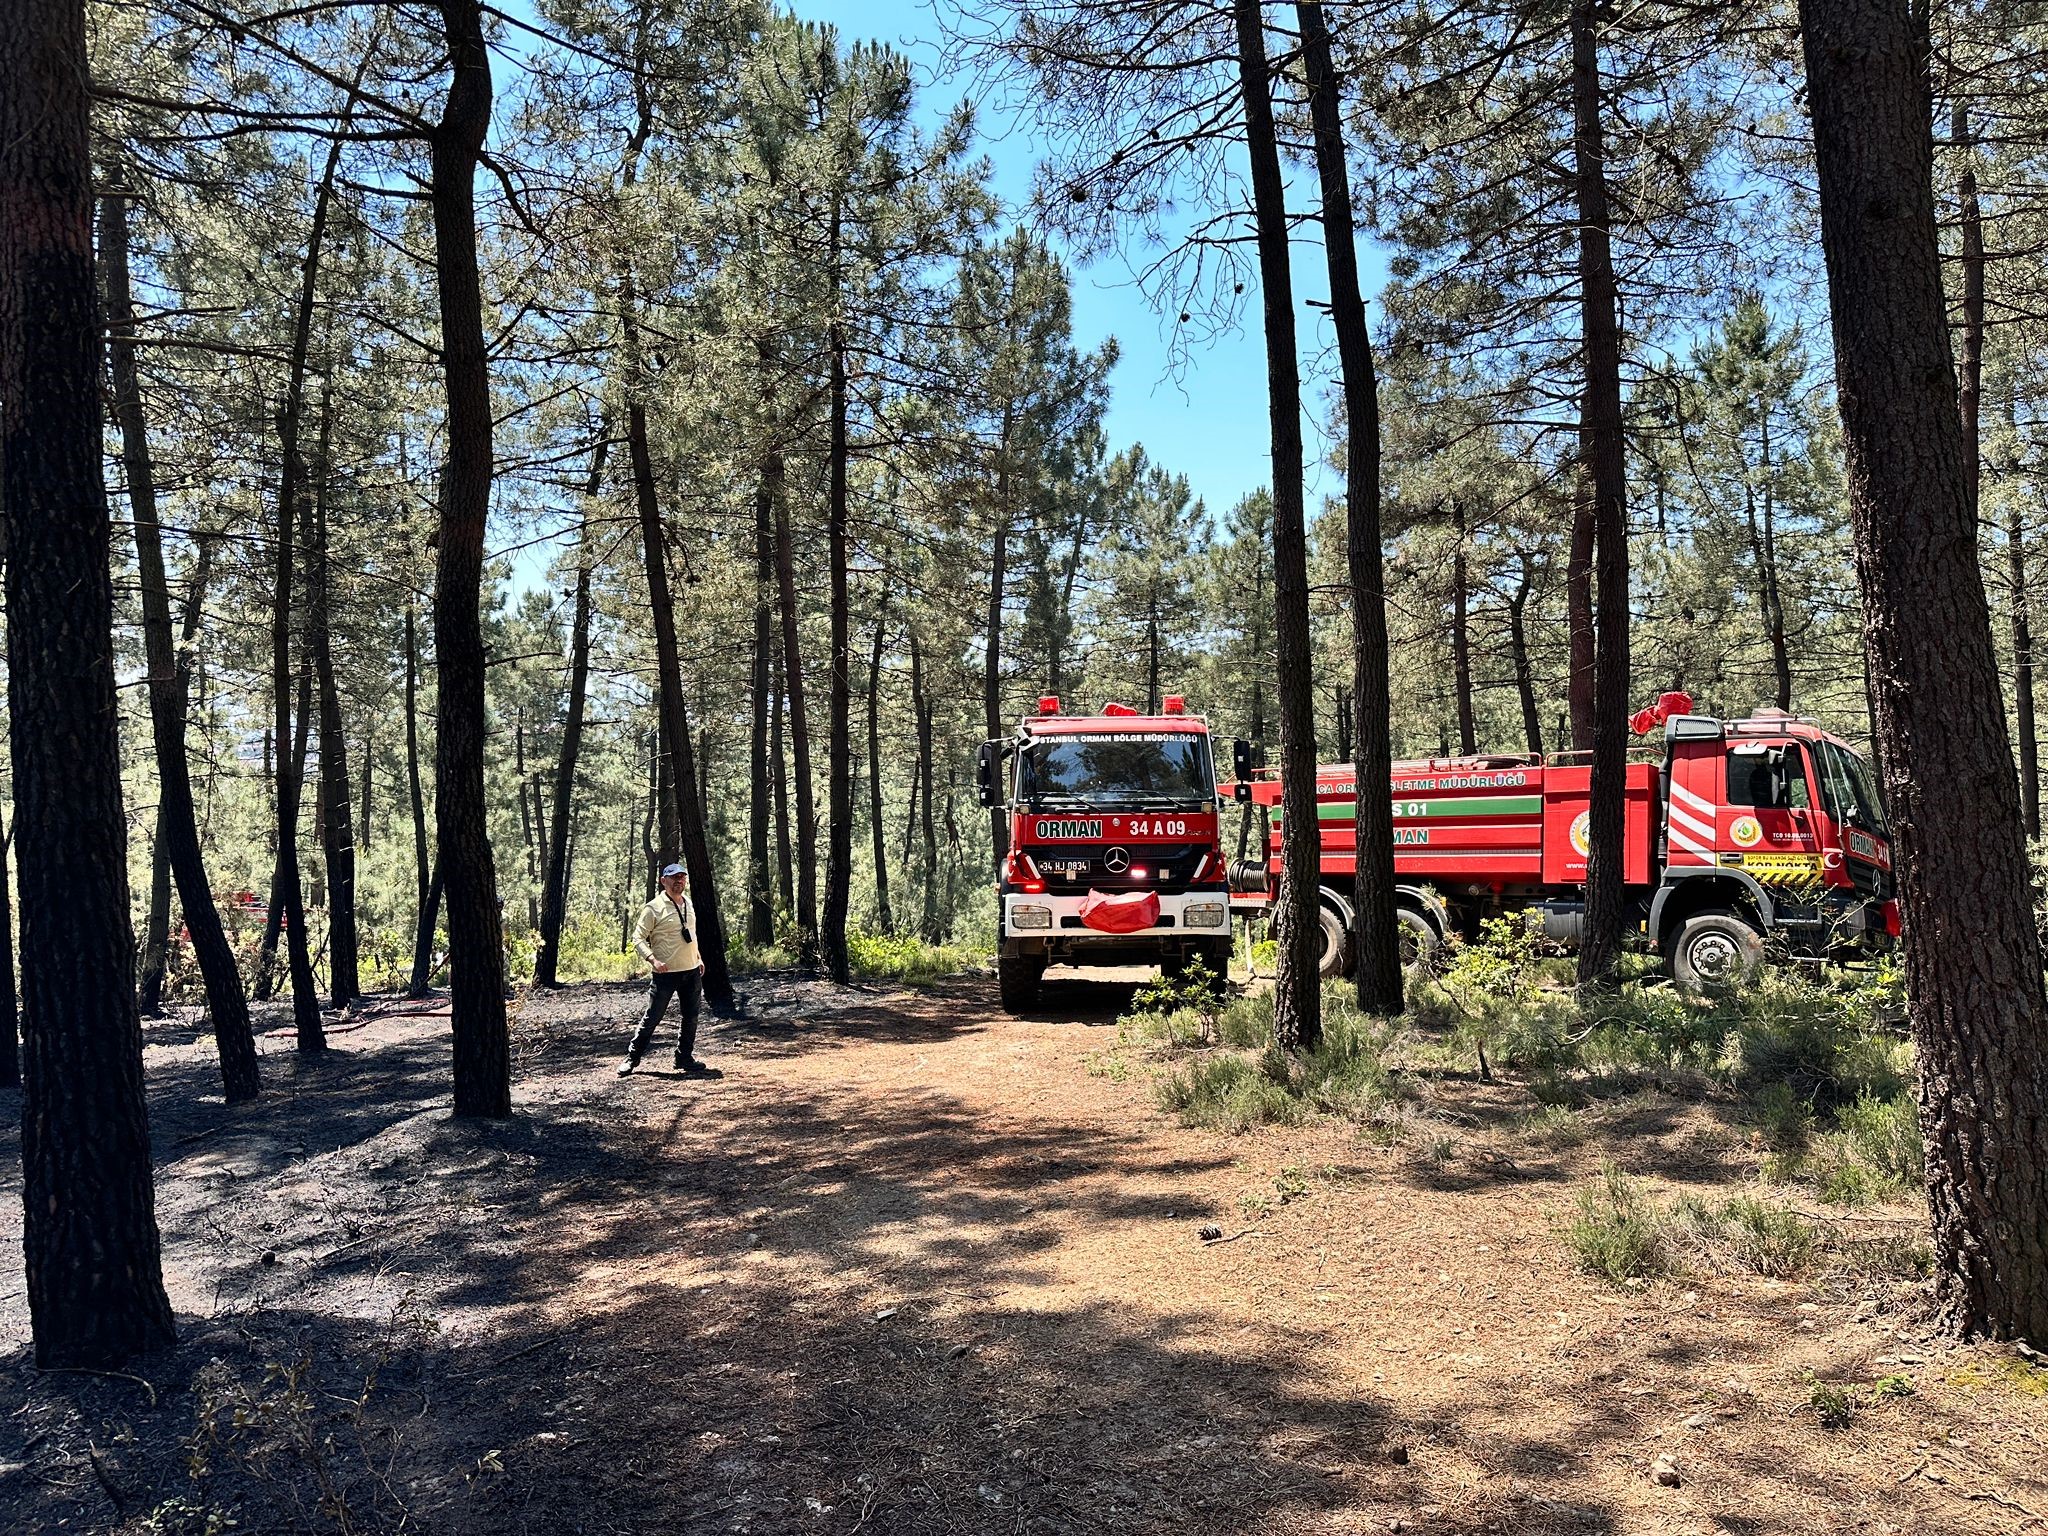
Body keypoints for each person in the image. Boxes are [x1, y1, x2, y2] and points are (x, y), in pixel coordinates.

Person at [620, 863, 718, 1077]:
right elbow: (637, 938)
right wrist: (653, 959)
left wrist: (698, 957)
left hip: (691, 971)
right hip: (665, 975)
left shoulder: (688, 904)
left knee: (691, 1017)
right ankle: (632, 1057)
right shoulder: (653, 908)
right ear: (663, 881)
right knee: (653, 1017)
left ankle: (684, 1057)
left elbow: (691, 934)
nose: (678, 881)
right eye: (674, 878)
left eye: (682, 877)